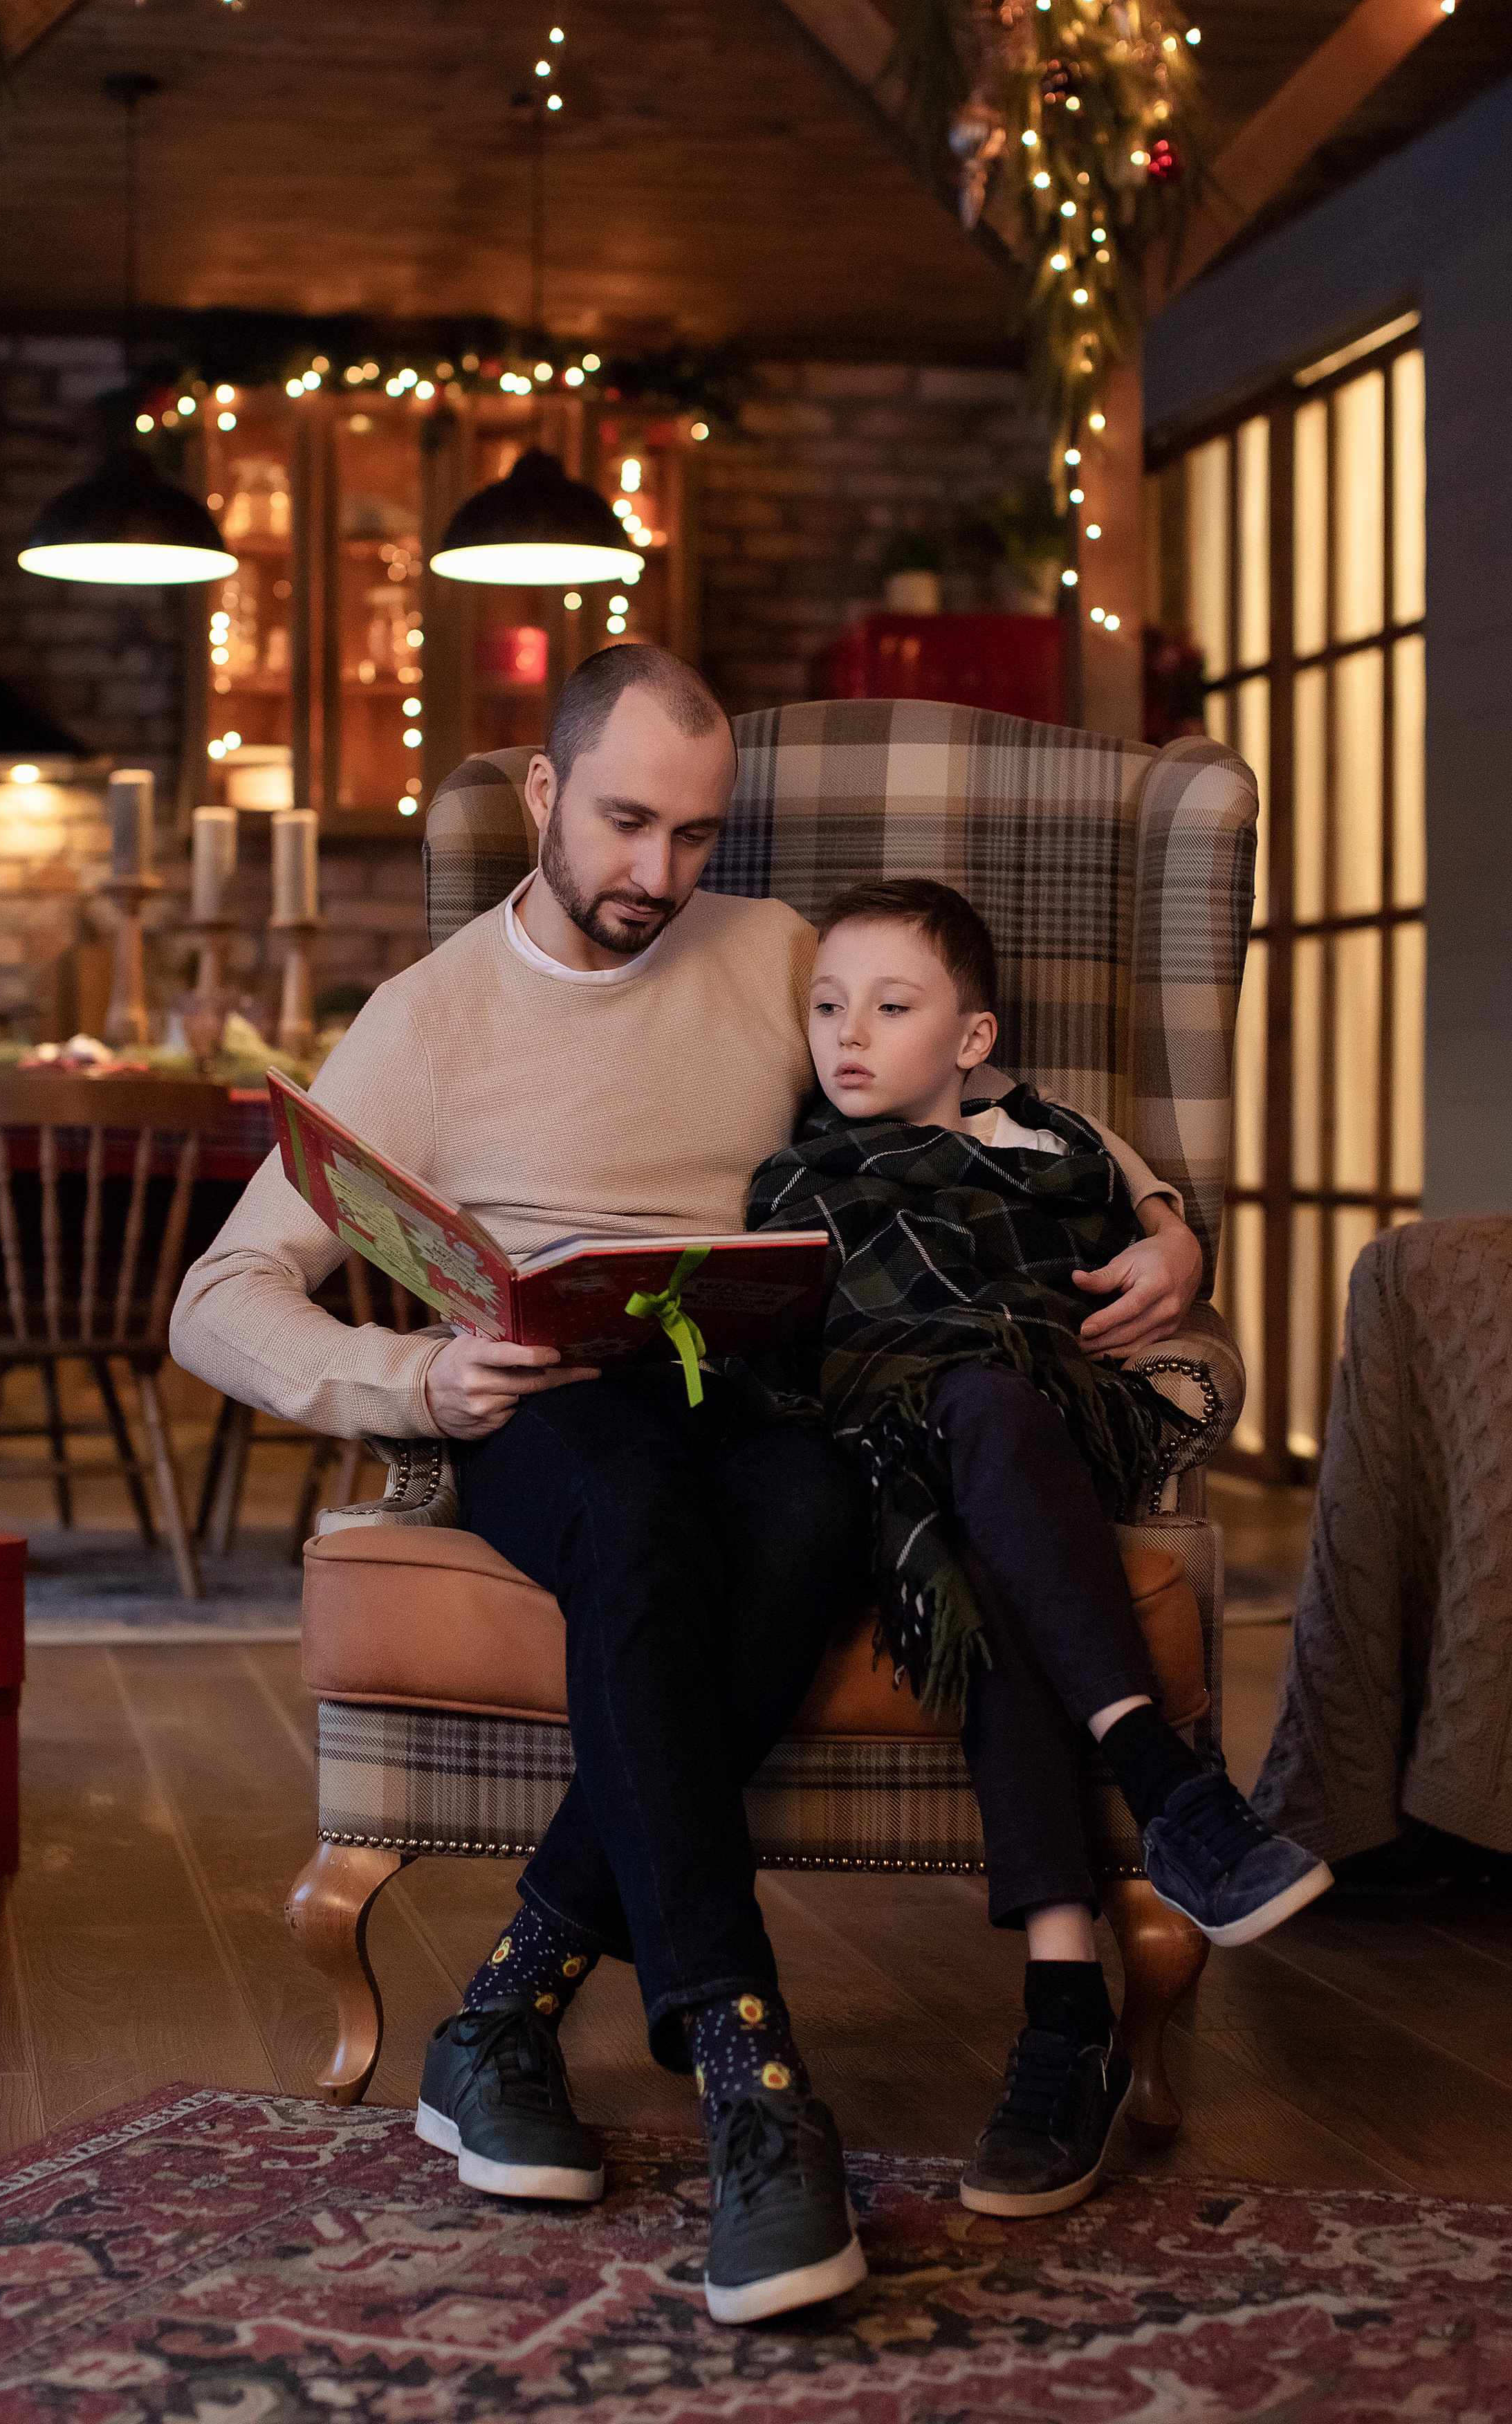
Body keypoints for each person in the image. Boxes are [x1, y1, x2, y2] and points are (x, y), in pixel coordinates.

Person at [169, 647, 1204, 2322]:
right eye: (629, 825)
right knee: (640, 1524)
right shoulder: (421, 1022)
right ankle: (748, 2071)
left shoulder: (768, 954)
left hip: (748, 1386)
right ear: (541, 797)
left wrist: (1163, 1219)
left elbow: (962, 1092)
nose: (660, 877)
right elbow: (213, 1301)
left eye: (696, 838)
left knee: (807, 1511)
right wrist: (409, 1376)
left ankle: (505, 2005)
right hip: (537, 1413)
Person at [746, 876, 1331, 2223]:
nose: (848, 1034)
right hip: (886, 1438)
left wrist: (1166, 1215)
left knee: (995, 1410)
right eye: (828, 1006)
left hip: (1037, 1418)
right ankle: (1134, 1868)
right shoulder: (794, 1169)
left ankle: (1069, 2017)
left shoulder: (1050, 1148)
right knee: (967, 1472)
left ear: (968, 1039)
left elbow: (1125, 1214)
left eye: (891, 1008)